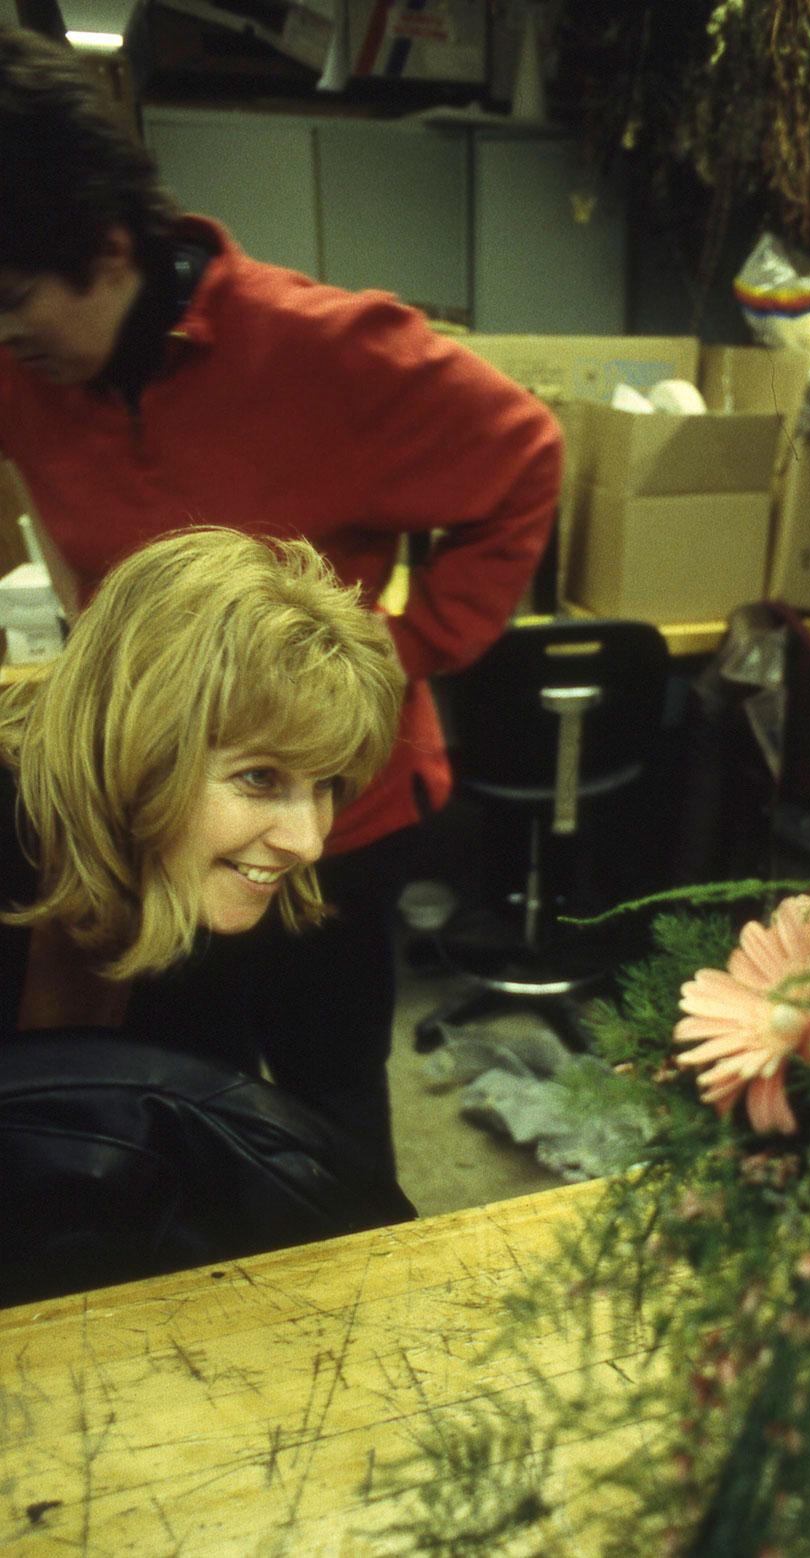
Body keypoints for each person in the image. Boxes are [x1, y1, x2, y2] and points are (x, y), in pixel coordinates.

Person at [0, 27, 563, 1174]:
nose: (5, 333)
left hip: (330, 813)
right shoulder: (33, 368)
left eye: (15, 299)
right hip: (150, 813)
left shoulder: (326, 353)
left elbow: (526, 457)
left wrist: (392, 652)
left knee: (327, 1098)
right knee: (167, 1087)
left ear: (108, 249)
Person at [0, 526, 407, 1136]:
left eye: (325, 784)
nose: (308, 844)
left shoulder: (256, 891)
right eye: (259, 778)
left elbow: (337, 1134)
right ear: (138, 744)